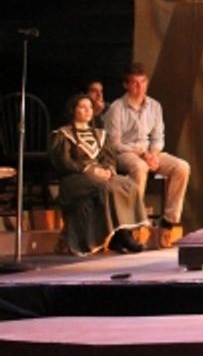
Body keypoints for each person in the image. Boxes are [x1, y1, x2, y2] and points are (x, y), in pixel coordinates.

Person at [50, 93, 147, 255]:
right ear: (73, 110)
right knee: (106, 188)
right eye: (82, 107)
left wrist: (108, 170)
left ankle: (123, 233)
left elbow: (108, 158)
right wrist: (89, 169)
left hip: (100, 175)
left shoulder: (100, 135)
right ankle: (120, 237)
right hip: (75, 178)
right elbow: (63, 162)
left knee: (128, 185)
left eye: (90, 107)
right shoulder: (63, 135)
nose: (88, 110)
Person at [104, 62, 191, 231]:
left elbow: (158, 137)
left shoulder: (154, 106)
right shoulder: (117, 108)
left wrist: (154, 154)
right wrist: (143, 155)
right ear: (126, 85)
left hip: (148, 152)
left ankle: (169, 219)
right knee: (140, 167)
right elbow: (114, 144)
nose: (140, 87)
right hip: (125, 152)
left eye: (143, 82)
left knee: (182, 167)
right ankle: (135, 219)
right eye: (135, 83)